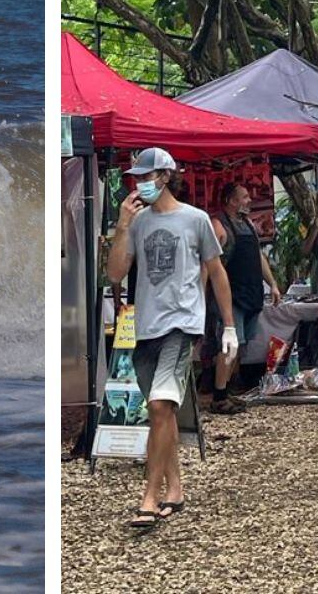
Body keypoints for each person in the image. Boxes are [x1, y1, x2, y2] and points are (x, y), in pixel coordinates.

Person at [102, 147, 237, 530]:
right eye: (137, 178)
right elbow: (115, 273)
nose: (140, 183)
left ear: (164, 176)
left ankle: (149, 496)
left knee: (161, 407)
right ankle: (175, 489)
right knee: (163, 412)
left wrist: (229, 326)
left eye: (146, 177)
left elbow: (217, 270)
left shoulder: (195, 220)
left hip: (183, 324)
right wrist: (123, 226)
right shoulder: (138, 222)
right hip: (146, 327)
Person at [206, 182, 279, 415]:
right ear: (231, 200)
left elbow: (258, 256)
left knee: (240, 345)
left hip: (251, 293)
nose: (249, 201)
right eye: (245, 197)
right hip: (231, 296)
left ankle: (228, 391)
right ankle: (218, 396)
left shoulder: (248, 223)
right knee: (227, 345)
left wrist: (273, 284)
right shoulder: (219, 226)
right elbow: (209, 263)